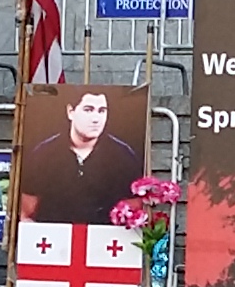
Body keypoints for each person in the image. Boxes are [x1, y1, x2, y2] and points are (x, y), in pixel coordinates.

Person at [15, 84, 148, 226]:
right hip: (54, 241)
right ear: (71, 112)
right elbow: (26, 214)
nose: (96, 119)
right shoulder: (43, 154)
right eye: (88, 110)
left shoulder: (124, 156)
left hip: (105, 242)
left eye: (102, 111)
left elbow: (133, 213)